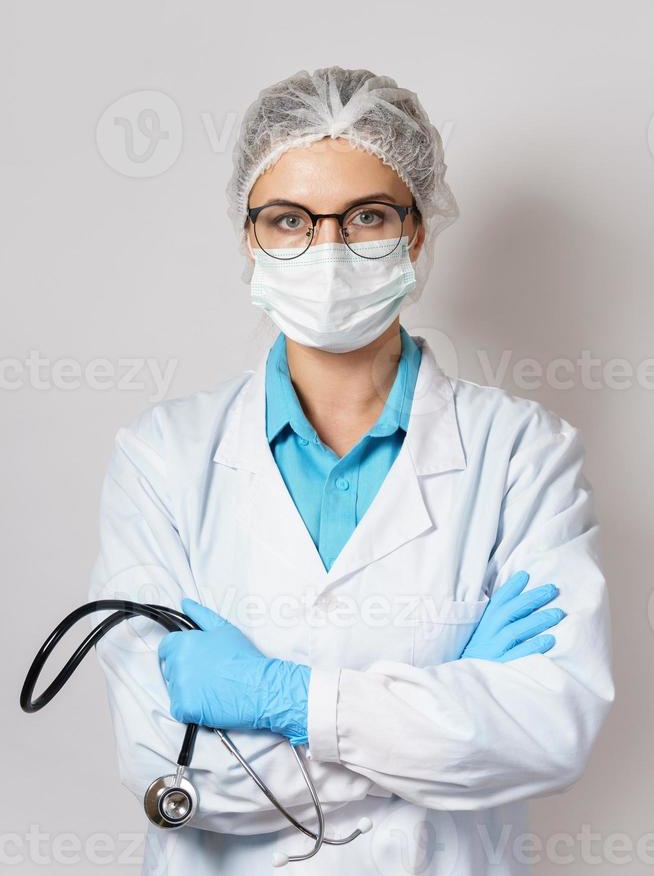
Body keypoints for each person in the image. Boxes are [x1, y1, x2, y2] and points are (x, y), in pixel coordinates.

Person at [88, 67, 614, 875]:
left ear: (415, 234)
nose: (328, 249)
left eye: (366, 216)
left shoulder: (522, 453)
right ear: (249, 237)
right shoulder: (162, 456)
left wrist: (283, 701)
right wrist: (447, 717)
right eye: (290, 219)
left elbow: (550, 731)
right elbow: (167, 772)